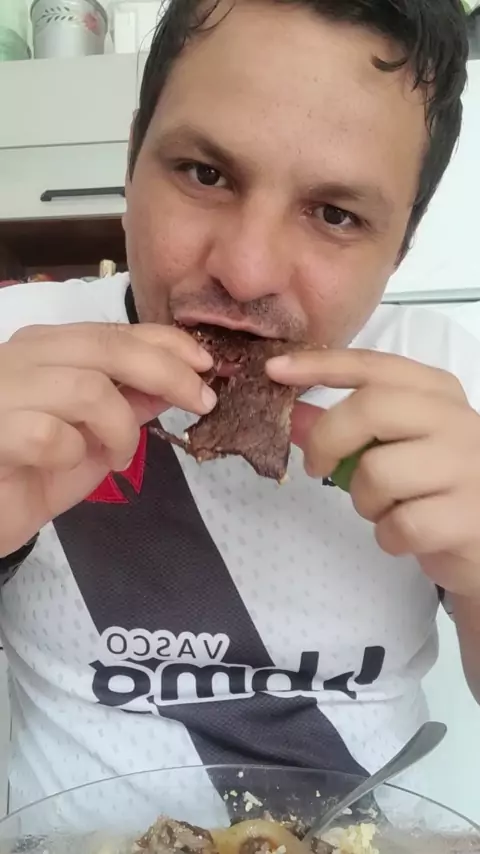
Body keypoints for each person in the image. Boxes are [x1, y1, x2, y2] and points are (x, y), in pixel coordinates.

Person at [0, 0, 477, 816]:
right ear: (131, 160)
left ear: (402, 245)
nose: (247, 270)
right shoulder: (12, 349)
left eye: (335, 215)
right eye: (205, 174)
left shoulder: (454, 378)